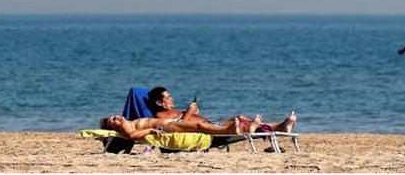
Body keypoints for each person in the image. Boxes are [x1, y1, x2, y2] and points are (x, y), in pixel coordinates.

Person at [147, 86, 298, 133]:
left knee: (240, 118)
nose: (172, 99)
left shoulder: (172, 111)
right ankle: (280, 126)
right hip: (209, 130)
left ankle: (282, 125)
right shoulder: (160, 115)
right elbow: (176, 127)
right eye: (168, 98)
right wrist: (189, 113)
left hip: (213, 124)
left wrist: (192, 113)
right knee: (241, 126)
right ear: (159, 103)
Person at [98, 114, 241, 141]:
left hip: (168, 124)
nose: (117, 117)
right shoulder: (125, 126)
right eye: (113, 120)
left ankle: (237, 127)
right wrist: (150, 130)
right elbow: (131, 136)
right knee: (200, 125)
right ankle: (228, 130)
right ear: (114, 127)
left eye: (114, 116)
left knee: (202, 125)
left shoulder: (128, 122)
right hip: (165, 128)